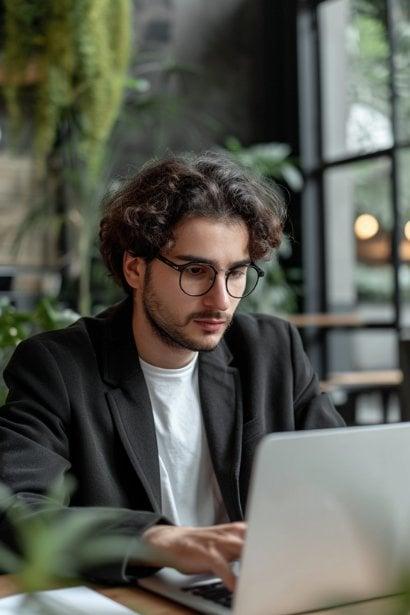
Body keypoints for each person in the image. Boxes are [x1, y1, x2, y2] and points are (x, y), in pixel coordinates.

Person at [0, 153, 344, 589]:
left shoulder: (272, 351)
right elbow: (15, 511)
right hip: (136, 599)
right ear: (135, 268)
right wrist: (155, 541)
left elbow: (339, 481)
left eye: (236, 273)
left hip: (255, 591)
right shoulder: (59, 368)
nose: (220, 299)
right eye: (195, 271)